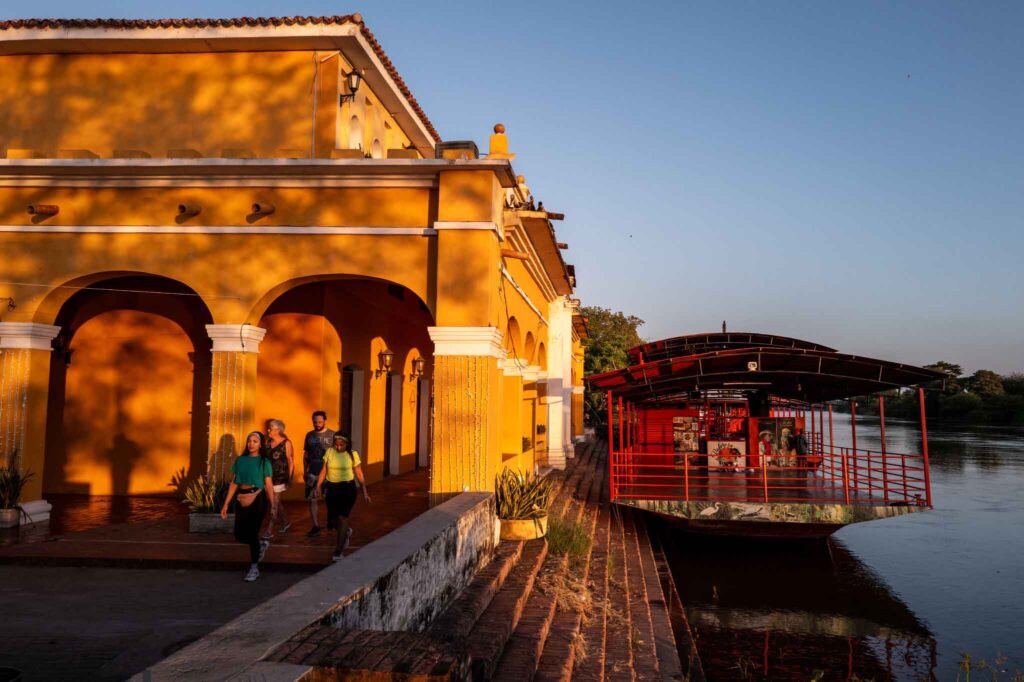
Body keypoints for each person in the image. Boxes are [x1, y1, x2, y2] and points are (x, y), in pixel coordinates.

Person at [221, 431, 275, 582]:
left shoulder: (264, 462)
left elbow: (269, 485)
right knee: (239, 534)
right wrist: (226, 504)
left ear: (260, 444)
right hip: (241, 498)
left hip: (258, 498)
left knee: (252, 533)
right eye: (249, 441)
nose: (251, 444)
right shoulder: (241, 460)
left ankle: (254, 567)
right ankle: (261, 546)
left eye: (255, 441)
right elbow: (234, 482)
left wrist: (273, 505)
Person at [316, 432, 371, 561]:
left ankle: (338, 551)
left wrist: (364, 491)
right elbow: (324, 470)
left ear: (347, 444)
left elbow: (359, 473)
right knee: (333, 520)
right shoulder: (329, 452)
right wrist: (318, 486)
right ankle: (346, 532)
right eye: (336, 445)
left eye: (341, 445)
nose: (339, 447)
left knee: (343, 517)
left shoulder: (353, 455)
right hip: (332, 489)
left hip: (347, 489)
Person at [302, 410, 335, 537]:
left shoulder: (332, 435)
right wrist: (305, 470)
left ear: (325, 421)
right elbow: (306, 454)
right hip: (313, 472)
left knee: (329, 499)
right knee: (312, 499)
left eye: (320, 421)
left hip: (328, 473)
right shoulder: (309, 435)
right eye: (315, 422)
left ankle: (331, 520)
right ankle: (315, 525)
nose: (317, 424)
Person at [262, 419, 294, 540]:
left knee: (274, 503)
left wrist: (290, 477)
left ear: (278, 430)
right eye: (268, 428)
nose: (268, 430)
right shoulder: (267, 442)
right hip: (268, 478)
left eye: (270, 428)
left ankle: (269, 530)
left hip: (280, 478)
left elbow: (290, 461)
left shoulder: (286, 443)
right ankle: (285, 522)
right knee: (275, 501)